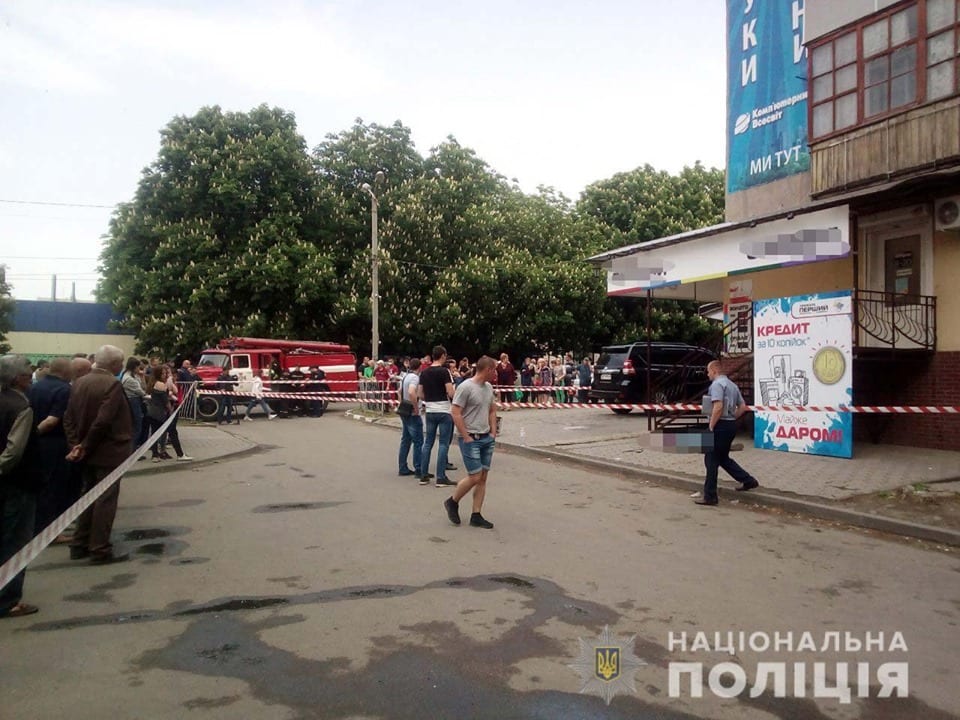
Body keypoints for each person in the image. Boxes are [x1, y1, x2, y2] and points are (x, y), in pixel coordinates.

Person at [63, 345, 133, 564]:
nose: (122, 366)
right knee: (105, 500)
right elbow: (103, 420)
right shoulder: (111, 384)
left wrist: (75, 445)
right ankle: (100, 548)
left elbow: (68, 417)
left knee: (88, 497)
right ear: (113, 364)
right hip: (108, 450)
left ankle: (79, 543)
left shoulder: (79, 382)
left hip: (86, 452)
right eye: (120, 363)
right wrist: (84, 445)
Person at [0, 354, 41, 617]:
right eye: (27, 373)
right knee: (16, 540)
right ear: (16, 378)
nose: (30, 377)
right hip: (17, 483)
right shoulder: (21, 406)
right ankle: (8, 599)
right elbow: (14, 451)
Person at [443, 355, 499, 529]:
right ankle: (452, 501)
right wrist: (465, 436)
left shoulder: (488, 387)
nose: (496, 373)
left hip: (485, 438)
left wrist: (493, 431)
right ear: (488, 370)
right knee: (475, 476)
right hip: (471, 438)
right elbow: (456, 412)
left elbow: (491, 410)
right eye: (494, 369)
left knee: (483, 478)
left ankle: (476, 514)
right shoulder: (466, 387)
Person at [696, 360, 759, 506]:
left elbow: (718, 406)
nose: (707, 374)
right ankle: (748, 481)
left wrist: (711, 425)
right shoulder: (732, 385)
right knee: (723, 458)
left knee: (711, 459)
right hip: (729, 425)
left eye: (708, 371)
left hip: (719, 425)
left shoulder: (717, 385)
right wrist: (732, 418)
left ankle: (710, 496)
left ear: (714, 371)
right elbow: (742, 407)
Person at [28, 357, 73, 537]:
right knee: (55, 487)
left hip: (37, 445)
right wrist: (35, 434)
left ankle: (38, 526)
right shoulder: (64, 389)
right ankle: (50, 532)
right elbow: (52, 420)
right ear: (64, 371)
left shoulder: (35, 386)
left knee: (41, 487)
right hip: (55, 443)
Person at [419, 345, 456, 487]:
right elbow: (450, 392)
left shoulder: (424, 372)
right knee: (443, 443)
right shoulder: (444, 372)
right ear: (442, 356)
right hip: (444, 410)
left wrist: (428, 399)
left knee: (428, 442)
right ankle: (440, 477)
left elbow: (420, 393)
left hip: (430, 410)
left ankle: (423, 475)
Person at [397, 358, 424, 479]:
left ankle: (402, 467)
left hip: (404, 410)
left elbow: (399, 391)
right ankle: (419, 469)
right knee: (418, 441)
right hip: (412, 413)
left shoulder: (405, 376)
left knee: (406, 440)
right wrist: (416, 407)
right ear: (420, 367)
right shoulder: (415, 378)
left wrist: (401, 403)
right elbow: (412, 392)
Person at [120, 357, 147, 452]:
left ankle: (133, 448)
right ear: (134, 367)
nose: (139, 370)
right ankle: (132, 450)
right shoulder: (129, 378)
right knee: (137, 426)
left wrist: (141, 376)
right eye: (138, 367)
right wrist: (148, 396)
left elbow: (143, 386)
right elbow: (140, 391)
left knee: (137, 425)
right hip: (133, 401)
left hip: (135, 400)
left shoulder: (133, 376)